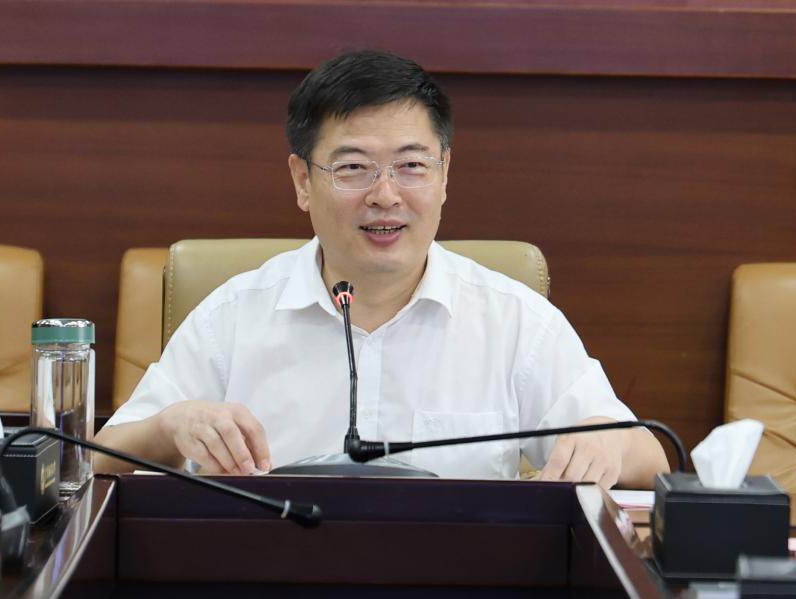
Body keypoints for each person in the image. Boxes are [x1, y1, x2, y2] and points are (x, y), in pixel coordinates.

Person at [95, 50, 668, 487]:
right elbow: (98, 458)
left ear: (444, 174)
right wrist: (170, 427)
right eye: (353, 168)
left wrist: (609, 449)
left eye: (411, 166)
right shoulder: (233, 315)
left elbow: (650, 459)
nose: (386, 195)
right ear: (302, 181)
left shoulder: (515, 320)